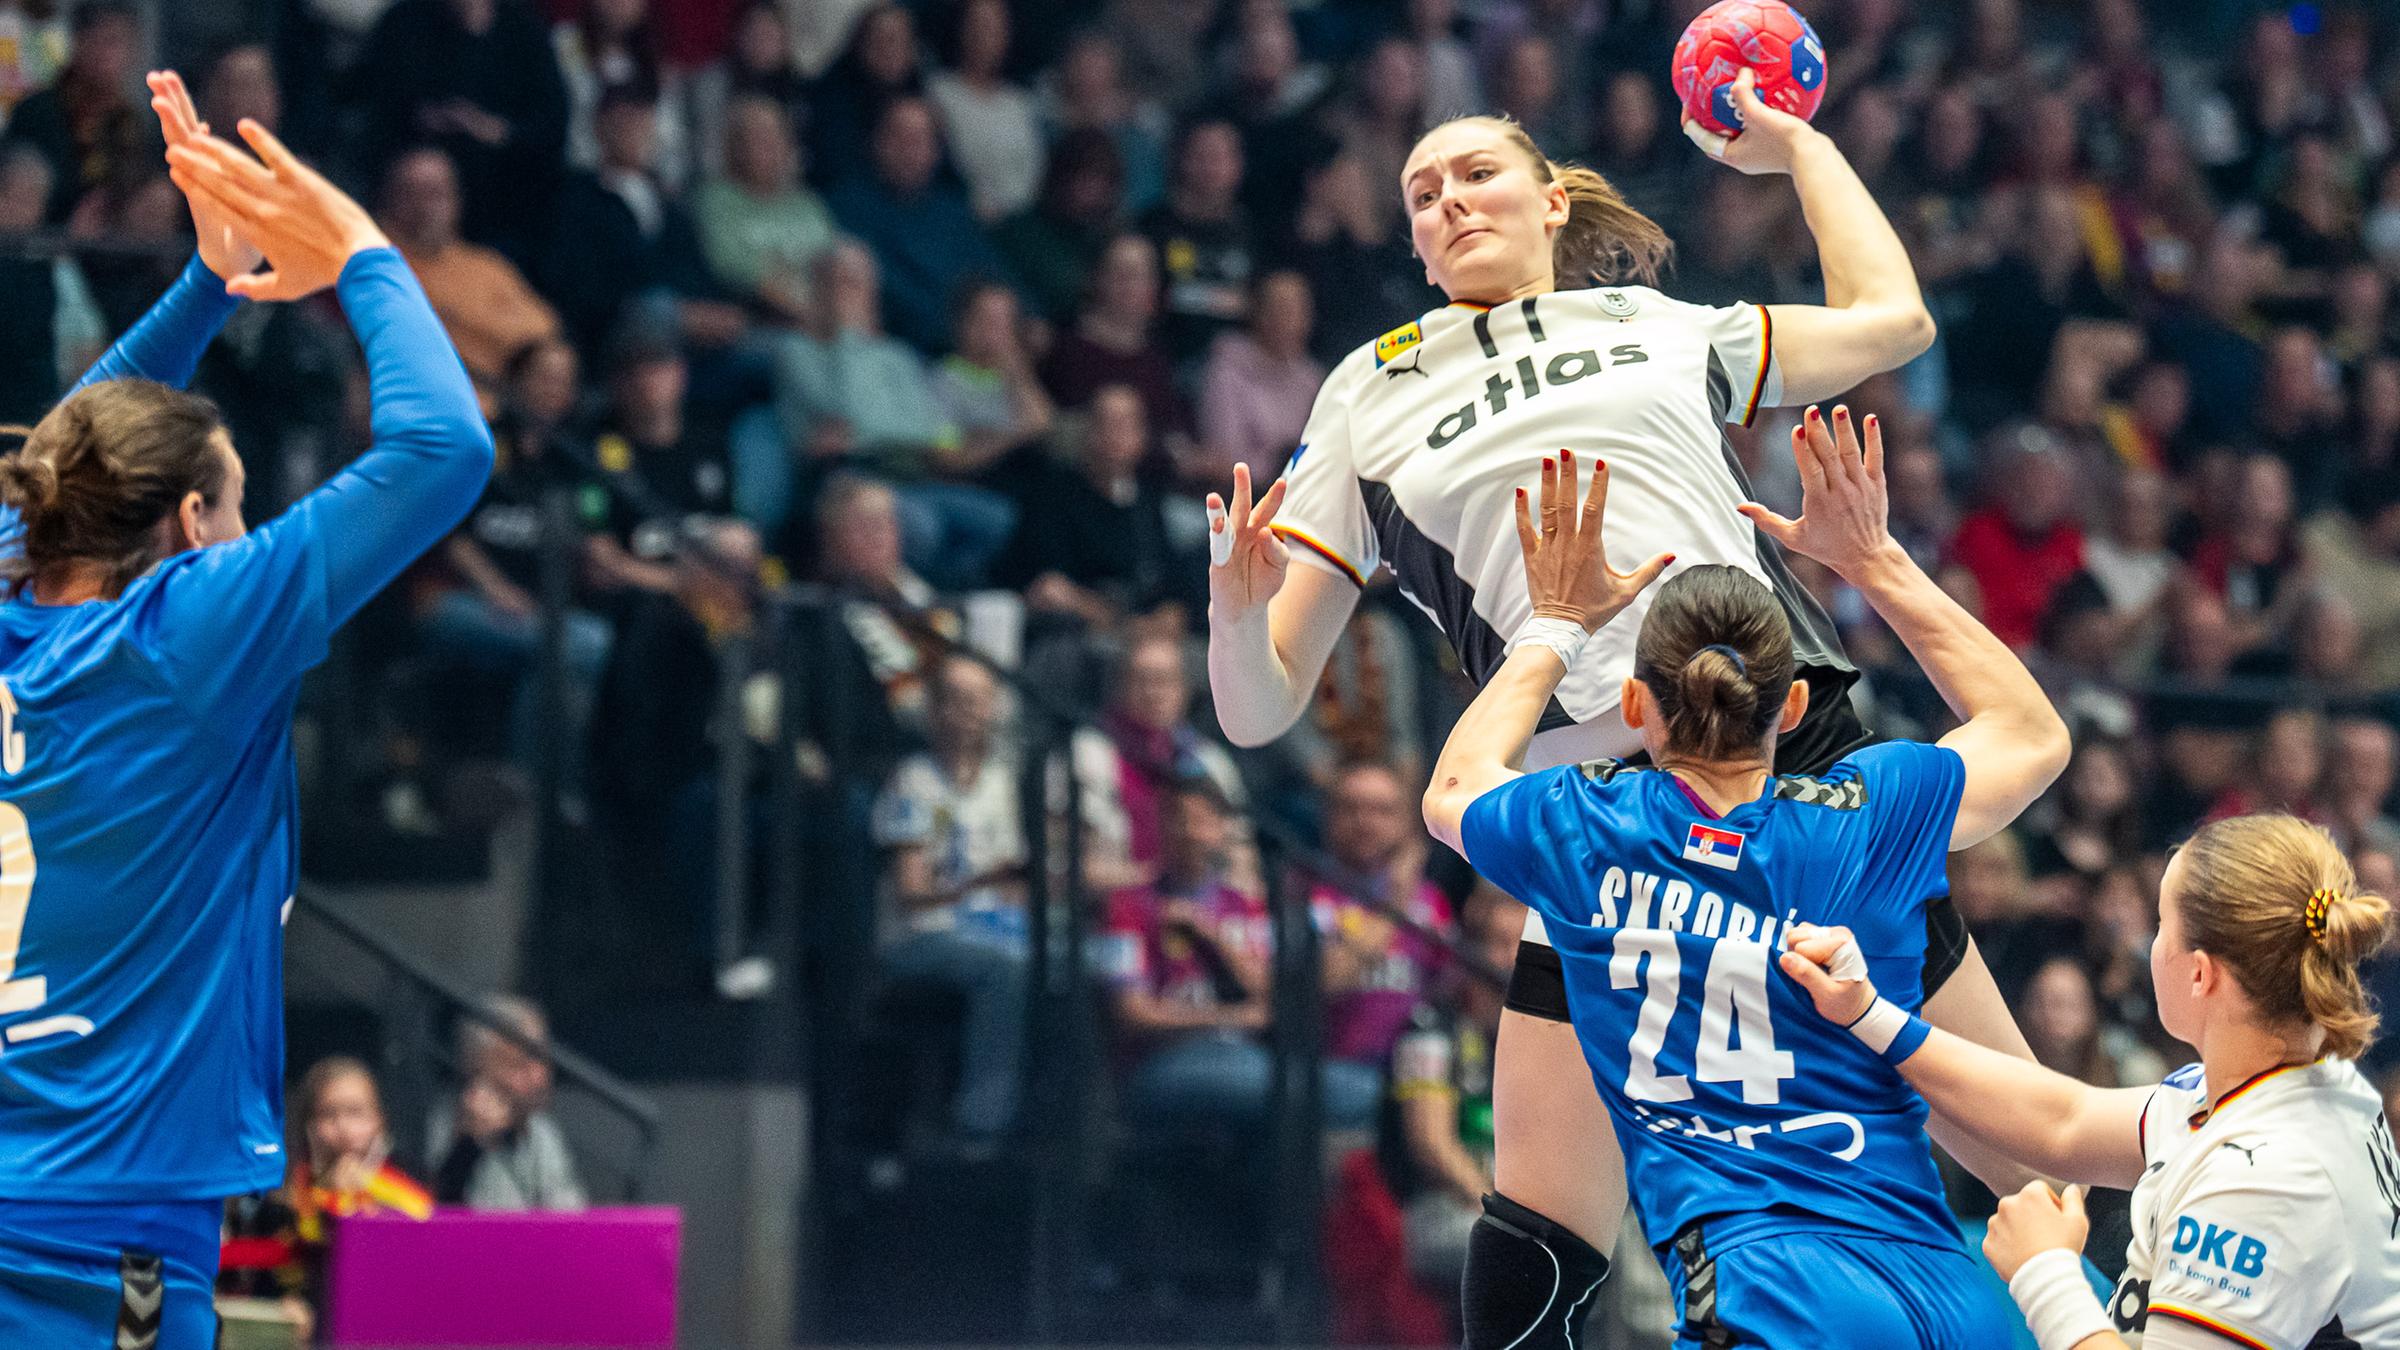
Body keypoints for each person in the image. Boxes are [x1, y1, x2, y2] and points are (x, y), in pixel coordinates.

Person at [1205, 75, 2039, 1346]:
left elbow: (1894, 320)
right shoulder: (1366, 395)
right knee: (1538, 1235)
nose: (1445, 202)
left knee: (2030, 1147)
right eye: (1420, 196)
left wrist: (1801, 145)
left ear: (1550, 201)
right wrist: (1229, 612)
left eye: (1474, 174)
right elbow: (1259, 712)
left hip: (1793, 762)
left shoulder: (1654, 323)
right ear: (1416, 250)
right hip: (1601, 813)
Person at [0, 74, 491, 1347]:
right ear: (185, 530)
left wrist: (209, 280)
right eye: (231, 507)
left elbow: (63, 456)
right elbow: (445, 450)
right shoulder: (189, 631)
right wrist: (364, 255)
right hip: (93, 1227)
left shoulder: (14, 585)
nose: (250, 534)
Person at [1419, 410, 2069, 1343]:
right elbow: (2032, 734)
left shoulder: (1585, 830)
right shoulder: (1869, 812)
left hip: (1768, 1299)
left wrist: (1553, 626)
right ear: (1797, 702)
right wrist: (1872, 559)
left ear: (1636, 706)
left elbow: (1454, 790)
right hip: (1936, 1294)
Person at [1782, 813, 2400, 1349]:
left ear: (2200, 976)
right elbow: (2062, 1120)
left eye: (2161, 927)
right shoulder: (2295, 1081)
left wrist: (2044, 1269)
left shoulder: (2267, 1175)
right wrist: (1867, 1012)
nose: (2149, 946)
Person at [428, 995, 588, 1210]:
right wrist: (469, 1146)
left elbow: (571, 1217)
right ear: (477, 1071)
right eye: (519, 1065)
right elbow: (432, 1214)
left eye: (542, 1059)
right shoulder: (442, 1125)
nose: (540, 1076)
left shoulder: (542, 1130)